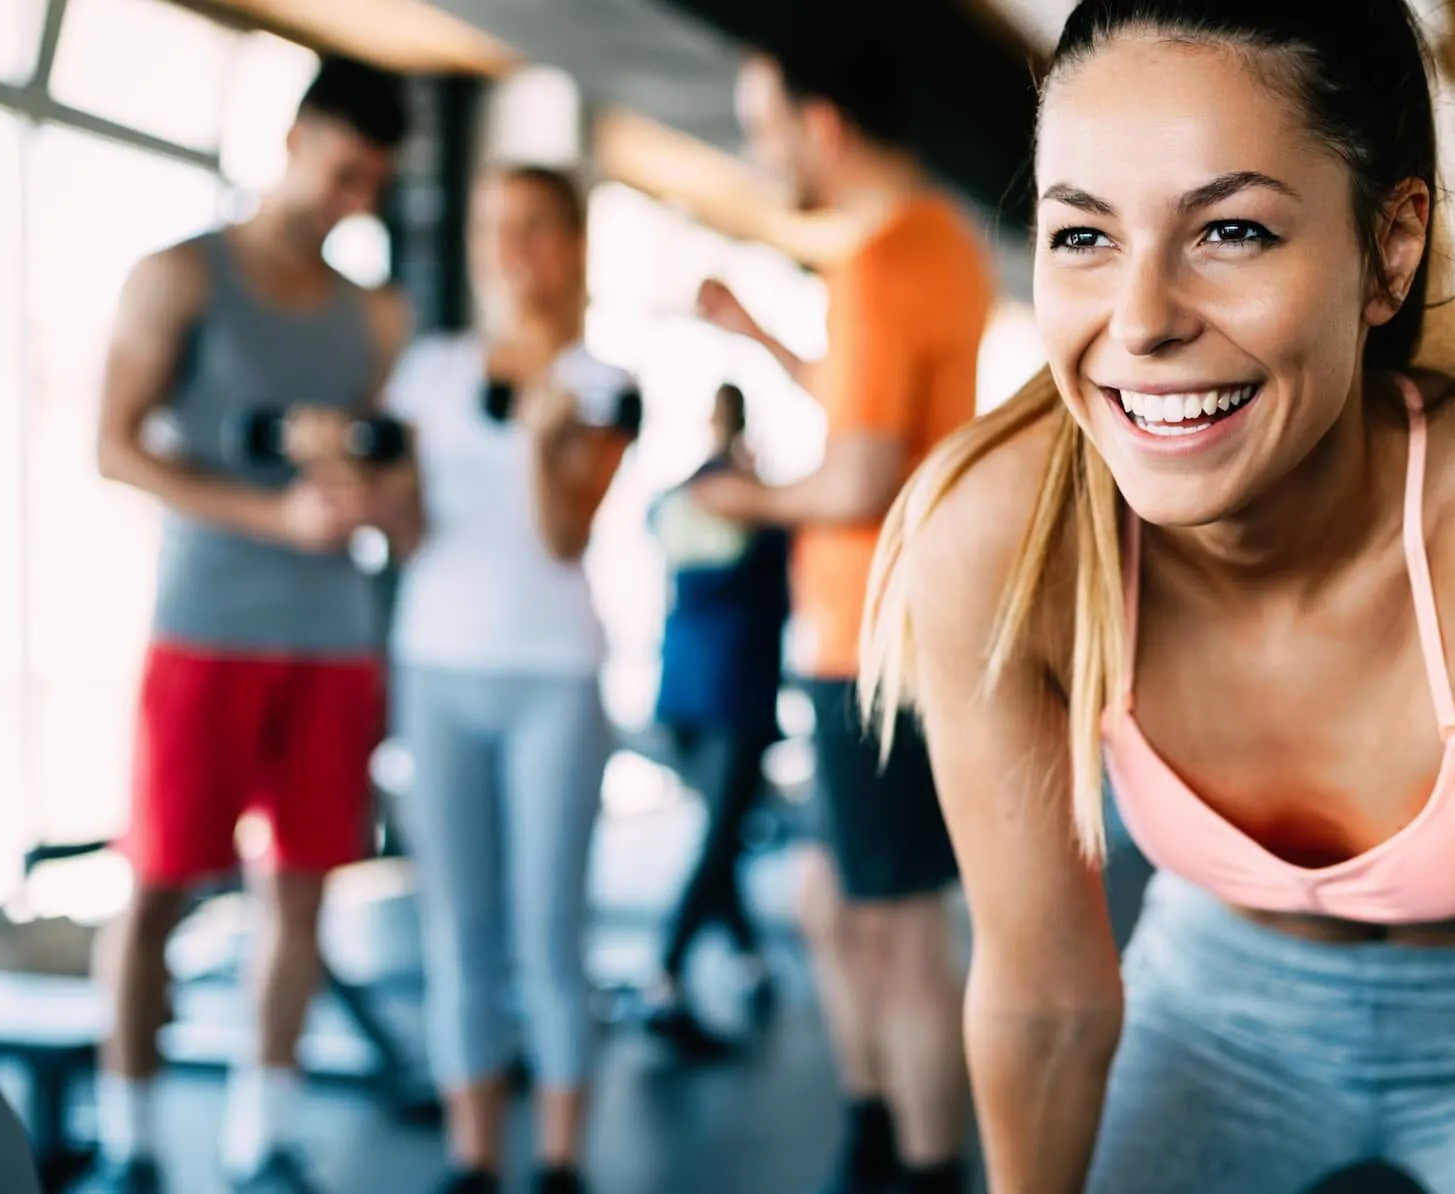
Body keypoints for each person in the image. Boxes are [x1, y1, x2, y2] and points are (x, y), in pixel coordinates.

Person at [859, 3, 1455, 1192]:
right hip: (1217, 1006)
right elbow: (1045, 1003)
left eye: (1232, 231)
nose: (1142, 322)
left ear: (1390, 248)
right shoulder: (997, 534)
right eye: (1084, 236)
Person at [89, 55, 414, 1194]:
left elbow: (383, 467)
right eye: (344, 173)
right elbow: (114, 447)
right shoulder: (179, 276)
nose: (355, 202)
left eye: (375, 185)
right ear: (293, 141)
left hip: (332, 638)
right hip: (206, 629)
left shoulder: (375, 316)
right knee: (158, 887)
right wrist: (272, 515)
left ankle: (260, 1136)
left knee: (304, 889)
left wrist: (365, 494)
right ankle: (127, 1139)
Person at [688, 12, 996, 1194]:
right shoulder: (932, 244)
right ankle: (876, 1126)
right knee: (831, 899)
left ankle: (922, 1164)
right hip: (876, 638)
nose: (758, 150)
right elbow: (866, 408)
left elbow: (860, 477)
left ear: (821, 125)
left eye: (763, 127)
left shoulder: (877, 263)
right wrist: (761, 335)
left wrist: (742, 497)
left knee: (901, 926)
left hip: (876, 644)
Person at [383, 165, 637, 1194]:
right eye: (494, 227)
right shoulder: (428, 373)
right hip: (435, 665)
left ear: (571, 247)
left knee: (548, 931)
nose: (511, 249)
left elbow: (565, 537)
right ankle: (474, 1157)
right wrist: (355, 484)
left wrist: (540, 443)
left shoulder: (604, 384)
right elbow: (405, 528)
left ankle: (561, 1162)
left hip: (552, 677)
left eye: (533, 228)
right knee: (457, 929)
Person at [642, 382, 792, 1056]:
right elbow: (780, 582)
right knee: (721, 837)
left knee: (721, 833)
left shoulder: (680, 498)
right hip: (734, 687)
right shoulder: (750, 500)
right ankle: (665, 972)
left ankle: (746, 956)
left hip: (684, 684)